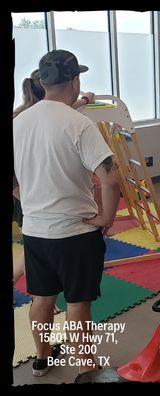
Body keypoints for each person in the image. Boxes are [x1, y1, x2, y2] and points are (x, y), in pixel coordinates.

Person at [13, 49, 120, 379]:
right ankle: (87, 367)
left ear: (42, 82)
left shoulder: (19, 122)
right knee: (78, 304)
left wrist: (28, 199)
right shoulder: (79, 124)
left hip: (34, 232)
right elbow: (111, 176)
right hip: (75, 234)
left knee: (41, 299)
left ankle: (42, 359)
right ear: (74, 81)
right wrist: (106, 219)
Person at [12, 70, 96, 286]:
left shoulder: (23, 114)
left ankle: (40, 294)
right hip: (28, 194)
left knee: (35, 247)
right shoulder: (35, 118)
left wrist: (85, 99)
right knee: (36, 250)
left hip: (28, 194)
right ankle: (38, 293)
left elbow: (71, 108)